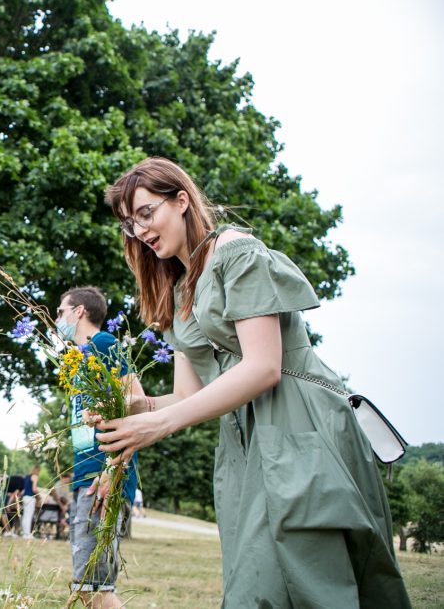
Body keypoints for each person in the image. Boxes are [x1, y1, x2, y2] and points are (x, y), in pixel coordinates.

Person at [97, 156, 410, 607]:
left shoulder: (234, 251)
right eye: (131, 224)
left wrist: (160, 426)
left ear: (181, 200)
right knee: (255, 583)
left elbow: (263, 366)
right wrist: (132, 410)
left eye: (147, 213)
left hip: (300, 426)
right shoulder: (181, 290)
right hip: (245, 447)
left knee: (312, 582)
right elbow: (189, 396)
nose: (141, 231)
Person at [56, 286, 138, 608]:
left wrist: (111, 468)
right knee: (89, 586)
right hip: (85, 474)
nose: (56, 318)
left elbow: (137, 400)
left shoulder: (102, 344)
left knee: (95, 588)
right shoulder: (75, 359)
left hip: (104, 475)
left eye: (61, 311)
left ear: (80, 312)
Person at [20, 465, 40, 538]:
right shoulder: (35, 477)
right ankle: (27, 534)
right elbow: (34, 489)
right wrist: (39, 495)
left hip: (25, 497)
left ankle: (25, 533)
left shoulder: (27, 477)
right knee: (29, 516)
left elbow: (23, 490)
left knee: (25, 516)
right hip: (31, 497)